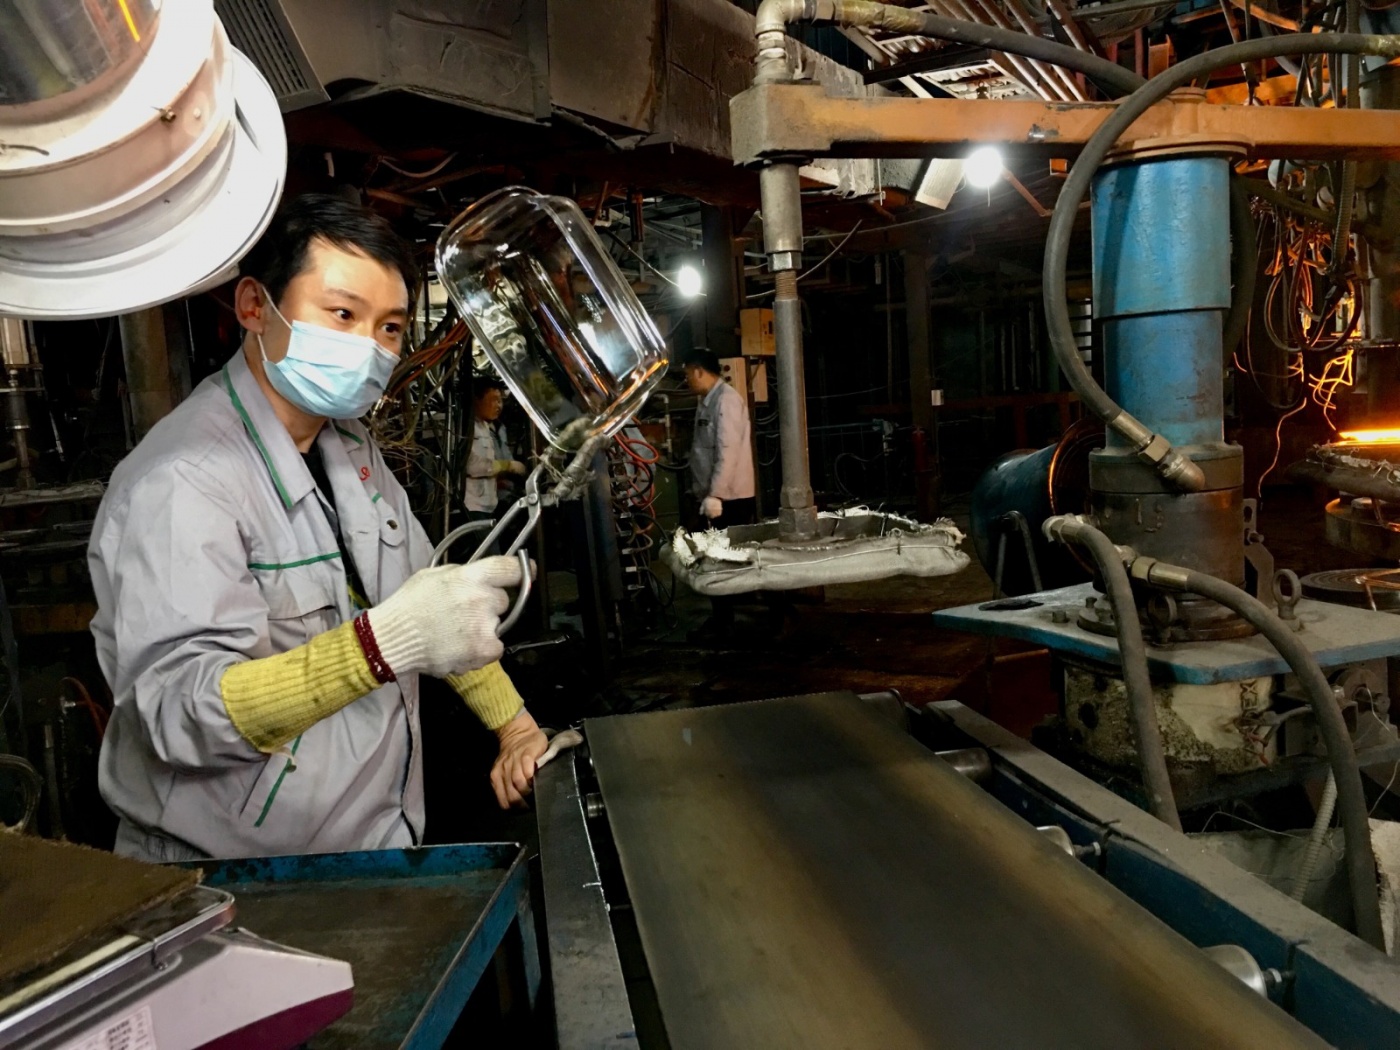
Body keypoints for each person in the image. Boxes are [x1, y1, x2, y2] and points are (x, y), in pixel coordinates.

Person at [88, 194, 550, 862]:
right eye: (342, 314)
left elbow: (428, 604)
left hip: (373, 840)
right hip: (243, 875)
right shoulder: (182, 481)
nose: (368, 347)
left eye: (389, 328)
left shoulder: (350, 446)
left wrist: (516, 727)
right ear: (255, 307)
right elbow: (181, 713)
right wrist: (376, 648)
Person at [685, 348, 756, 531]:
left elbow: (728, 451)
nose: (687, 380)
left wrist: (716, 494)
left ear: (698, 371)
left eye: (688, 374)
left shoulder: (726, 400)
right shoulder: (707, 401)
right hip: (714, 497)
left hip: (730, 500)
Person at [464, 381, 526, 526]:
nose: (499, 406)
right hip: (474, 506)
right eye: (494, 400)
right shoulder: (468, 429)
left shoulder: (490, 427)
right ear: (477, 400)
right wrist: (506, 466)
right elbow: (471, 466)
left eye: (500, 401)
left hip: (491, 503)